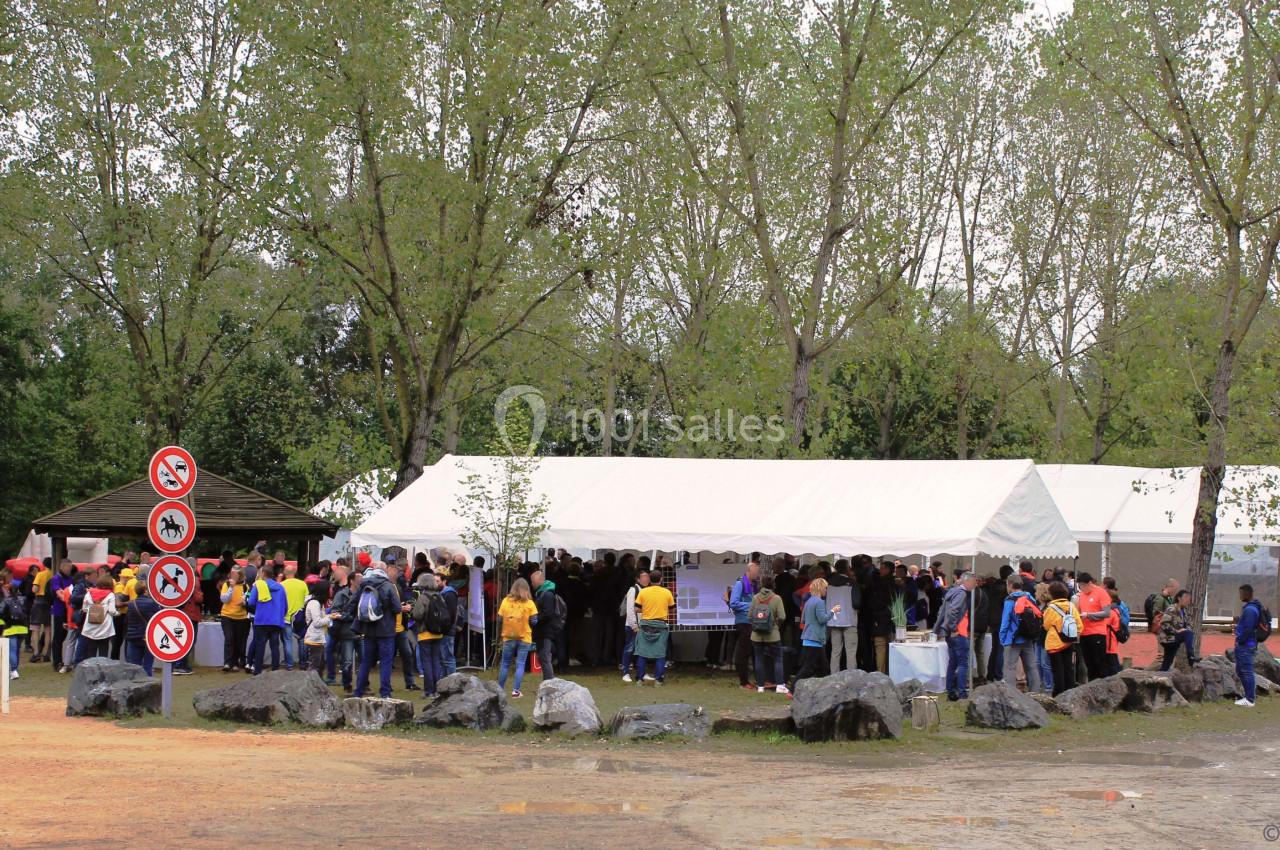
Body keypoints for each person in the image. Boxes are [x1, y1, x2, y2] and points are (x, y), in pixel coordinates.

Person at [354, 562, 404, 699]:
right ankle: (385, 692)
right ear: (385, 571)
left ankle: (358, 691)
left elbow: (354, 602)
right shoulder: (388, 586)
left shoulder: (364, 584)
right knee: (386, 661)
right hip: (386, 629)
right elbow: (397, 608)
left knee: (366, 661)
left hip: (369, 628)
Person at [788, 577, 839, 693]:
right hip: (815, 639)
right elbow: (822, 619)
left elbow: (803, 619)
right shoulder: (819, 602)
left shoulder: (808, 601)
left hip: (808, 638)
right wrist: (833, 611)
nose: (826, 590)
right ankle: (792, 689)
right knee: (809, 668)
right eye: (825, 588)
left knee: (822, 668)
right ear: (821, 588)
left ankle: (826, 691)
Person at [935, 572, 976, 701]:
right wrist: (954, 628)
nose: (974, 585)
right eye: (974, 582)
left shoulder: (952, 592)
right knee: (963, 664)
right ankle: (962, 693)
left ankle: (951, 692)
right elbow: (953, 611)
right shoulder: (962, 594)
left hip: (951, 634)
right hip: (959, 633)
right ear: (967, 581)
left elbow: (944, 611)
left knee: (952, 663)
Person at [998, 575, 1042, 693]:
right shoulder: (1029, 597)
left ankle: (1012, 694)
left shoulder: (1010, 600)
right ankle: (1035, 692)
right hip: (1028, 637)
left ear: (1010, 585)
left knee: (1010, 668)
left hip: (1012, 639)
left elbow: (1005, 621)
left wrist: (1002, 638)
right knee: (1031, 667)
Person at [496, 578, 539, 698]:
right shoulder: (530, 603)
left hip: (508, 637)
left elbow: (499, 619)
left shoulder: (505, 601)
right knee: (520, 664)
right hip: (524, 637)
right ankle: (516, 691)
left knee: (505, 664)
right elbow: (534, 621)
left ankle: (500, 690)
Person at [633, 571, 675, 685]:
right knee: (660, 654)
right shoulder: (667, 592)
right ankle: (658, 680)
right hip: (661, 625)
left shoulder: (643, 592)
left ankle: (639, 679)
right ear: (661, 579)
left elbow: (636, 609)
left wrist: (647, 609)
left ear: (649, 580)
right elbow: (672, 609)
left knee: (642, 653)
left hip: (645, 625)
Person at [748, 573, 788, 694]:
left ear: (761, 584)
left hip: (756, 635)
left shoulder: (755, 598)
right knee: (778, 659)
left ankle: (760, 687)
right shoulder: (776, 598)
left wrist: (756, 625)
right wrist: (775, 625)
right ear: (773, 584)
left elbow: (749, 616)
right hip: (773, 635)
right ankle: (779, 685)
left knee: (759, 659)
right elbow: (782, 616)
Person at [1042, 581, 1082, 696]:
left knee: (1057, 670)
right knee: (1068, 668)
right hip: (1069, 642)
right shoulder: (1071, 606)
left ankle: (1058, 694)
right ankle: (1069, 693)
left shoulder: (1050, 608)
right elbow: (1079, 625)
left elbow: (1046, 625)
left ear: (1051, 594)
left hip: (1054, 643)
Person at [247, 565, 287, 674]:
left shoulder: (259, 585)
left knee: (260, 646)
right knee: (275, 647)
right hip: (276, 621)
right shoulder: (280, 587)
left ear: (263, 573)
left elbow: (250, 602)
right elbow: (285, 606)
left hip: (261, 620)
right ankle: (275, 671)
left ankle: (257, 671)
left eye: (260, 572)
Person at [727, 561, 761, 691]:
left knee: (752, 651)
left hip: (752, 622)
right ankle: (743, 681)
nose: (757, 574)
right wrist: (752, 606)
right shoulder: (740, 584)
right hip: (743, 622)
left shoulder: (754, 585)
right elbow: (733, 603)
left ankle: (756, 680)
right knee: (744, 652)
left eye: (757, 572)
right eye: (755, 572)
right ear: (748, 571)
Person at [411, 573, 445, 697]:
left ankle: (429, 691)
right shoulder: (439, 596)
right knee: (436, 661)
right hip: (438, 634)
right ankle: (437, 690)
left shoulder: (423, 597)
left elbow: (417, 615)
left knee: (427, 663)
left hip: (425, 634)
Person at [1074, 573, 1112, 681]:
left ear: (1089, 583)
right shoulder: (1081, 595)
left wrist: (1089, 615)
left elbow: (1106, 613)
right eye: (1080, 586)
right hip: (1084, 633)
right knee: (1089, 664)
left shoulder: (1101, 593)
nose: (1081, 588)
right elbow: (1079, 610)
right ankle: (1091, 686)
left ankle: (1103, 686)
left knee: (1099, 664)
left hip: (1097, 633)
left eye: (1083, 585)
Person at [329, 569, 361, 692]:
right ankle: (347, 685)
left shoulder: (364, 594)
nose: (361, 580)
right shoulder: (341, 595)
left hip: (362, 632)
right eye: (359, 578)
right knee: (347, 662)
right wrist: (349, 617)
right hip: (347, 632)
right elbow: (335, 612)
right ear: (352, 581)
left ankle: (363, 685)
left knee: (365, 660)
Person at [1234, 584, 1264, 707]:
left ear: (1247, 593)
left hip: (1246, 645)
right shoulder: (1250, 608)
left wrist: (1240, 639)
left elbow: (1248, 629)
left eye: (1241, 593)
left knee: (1246, 671)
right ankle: (1247, 695)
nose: (1240, 596)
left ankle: (1250, 699)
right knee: (1241, 670)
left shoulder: (1250, 610)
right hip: (1246, 643)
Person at [826, 560, 859, 674]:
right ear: (847, 569)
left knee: (835, 651)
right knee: (851, 652)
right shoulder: (852, 583)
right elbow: (857, 603)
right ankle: (851, 677)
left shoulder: (828, 583)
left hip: (833, 620)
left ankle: (834, 676)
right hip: (849, 620)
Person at [77, 574, 118, 662]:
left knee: (91, 652)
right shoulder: (110, 595)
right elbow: (112, 611)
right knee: (103, 651)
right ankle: (102, 669)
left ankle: (91, 669)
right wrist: (117, 613)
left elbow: (84, 609)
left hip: (90, 627)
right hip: (105, 627)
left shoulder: (89, 593)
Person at [531, 569, 563, 681]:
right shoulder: (541, 593)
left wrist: (536, 618)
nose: (532, 584)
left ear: (540, 580)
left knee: (545, 657)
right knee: (542, 657)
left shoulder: (547, 594)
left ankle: (549, 682)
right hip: (541, 631)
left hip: (545, 631)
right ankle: (547, 681)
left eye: (533, 581)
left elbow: (548, 613)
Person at [125, 581, 161, 676]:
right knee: (148, 665)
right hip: (148, 637)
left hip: (133, 637)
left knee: (134, 667)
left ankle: (136, 683)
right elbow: (158, 618)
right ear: (145, 591)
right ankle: (147, 682)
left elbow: (127, 620)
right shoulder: (153, 603)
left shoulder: (131, 604)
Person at [619, 569, 649, 682]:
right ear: (637, 579)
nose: (646, 579)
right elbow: (630, 609)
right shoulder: (633, 590)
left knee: (643, 650)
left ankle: (642, 672)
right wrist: (634, 625)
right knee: (629, 649)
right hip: (633, 625)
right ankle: (625, 672)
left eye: (647, 577)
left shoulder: (646, 590)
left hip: (643, 624)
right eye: (644, 577)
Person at [218, 567, 251, 672]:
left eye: (236, 575)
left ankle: (235, 663)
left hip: (241, 617)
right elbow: (224, 599)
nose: (233, 576)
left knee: (238, 641)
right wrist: (231, 588)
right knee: (229, 638)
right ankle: (227, 663)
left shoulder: (246, 586)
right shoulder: (226, 585)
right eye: (232, 574)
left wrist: (245, 602)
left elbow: (248, 599)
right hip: (227, 615)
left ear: (240, 576)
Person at [1158, 589, 1198, 671]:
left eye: (1189, 598)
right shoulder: (1172, 608)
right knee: (1188, 633)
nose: (1188, 600)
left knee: (1167, 662)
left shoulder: (1184, 612)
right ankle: (1191, 656)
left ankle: (1160, 675)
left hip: (1175, 639)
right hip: (1168, 638)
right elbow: (1164, 623)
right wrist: (1176, 631)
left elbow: (1188, 625)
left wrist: (1185, 629)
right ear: (1179, 598)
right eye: (1186, 597)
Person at [280, 563, 308, 670]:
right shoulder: (303, 584)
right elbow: (307, 600)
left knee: (288, 641)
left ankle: (289, 664)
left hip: (286, 617)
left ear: (284, 573)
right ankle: (302, 663)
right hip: (299, 617)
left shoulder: (281, 585)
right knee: (301, 640)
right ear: (295, 572)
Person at [50, 561, 76, 672]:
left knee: (64, 636)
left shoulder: (70, 579)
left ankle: (65, 661)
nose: (69, 569)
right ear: (61, 567)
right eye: (67, 567)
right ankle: (57, 662)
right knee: (58, 637)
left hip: (68, 612)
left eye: (70, 567)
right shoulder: (56, 578)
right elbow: (59, 594)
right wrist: (67, 596)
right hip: (59, 611)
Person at [302, 580, 334, 674]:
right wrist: (330, 617)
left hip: (318, 638)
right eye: (329, 589)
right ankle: (311, 682)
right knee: (315, 666)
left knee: (319, 665)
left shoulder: (319, 603)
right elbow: (317, 622)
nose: (331, 591)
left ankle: (317, 681)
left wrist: (329, 617)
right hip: (314, 638)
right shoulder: (314, 603)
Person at [2, 574, 29, 680]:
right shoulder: (24, 599)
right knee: (17, 649)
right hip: (22, 628)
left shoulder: (6, 600)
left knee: (12, 650)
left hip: (10, 628)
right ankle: (15, 669)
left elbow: (2, 613)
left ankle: (13, 670)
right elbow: (27, 612)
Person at [27, 559, 52, 663]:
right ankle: (47, 653)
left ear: (44, 564)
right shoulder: (53, 574)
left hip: (39, 601)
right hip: (50, 602)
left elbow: (35, 589)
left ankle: (36, 653)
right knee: (48, 629)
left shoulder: (40, 574)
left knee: (35, 628)